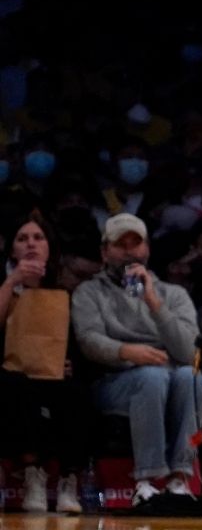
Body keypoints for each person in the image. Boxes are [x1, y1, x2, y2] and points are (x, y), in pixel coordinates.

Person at [70, 213, 202, 507]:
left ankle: (179, 479)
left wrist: (154, 304)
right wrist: (127, 351)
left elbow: (190, 353)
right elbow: (89, 340)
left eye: (136, 243)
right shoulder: (89, 292)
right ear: (105, 252)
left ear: (147, 249)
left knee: (193, 377)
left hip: (170, 377)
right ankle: (146, 482)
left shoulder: (173, 294)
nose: (130, 251)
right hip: (113, 381)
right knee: (151, 376)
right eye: (121, 245)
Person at [0, 214, 90, 512]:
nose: (31, 244)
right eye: (22, 239)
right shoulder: (4, 282)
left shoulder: (66, 288)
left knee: (76, 391)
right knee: (16, 386)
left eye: (38, 238)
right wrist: (12, 281)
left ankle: (68, 479)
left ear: (49, 248)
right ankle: (33, 474)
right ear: (12, 250)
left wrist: (70, 363)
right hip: (9, 371)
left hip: (52, 373)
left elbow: (80, 340)